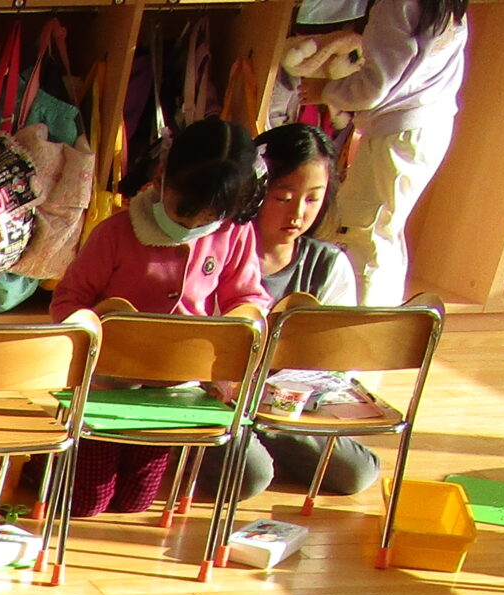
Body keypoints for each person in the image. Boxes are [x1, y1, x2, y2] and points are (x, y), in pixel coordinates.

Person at [54, 117, 269, 515]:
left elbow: (248, 298)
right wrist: (89, 337)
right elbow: (68, 300)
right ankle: (46, 461)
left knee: (136, 502)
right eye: (182, 215)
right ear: (160, 176)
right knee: (87, 503)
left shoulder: (233, 234)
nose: (191, 229)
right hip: (106, 385)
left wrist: (231, 346)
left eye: (206, 221)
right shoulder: (116, 233)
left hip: (175, 388)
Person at [201, 123, 381, 500]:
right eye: (283, 197)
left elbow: (335, 360)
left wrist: (286, 396)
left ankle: (263, 442)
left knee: (356, 472)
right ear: (256, 190)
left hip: (283, 404)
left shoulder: (328, 264)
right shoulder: (215, 250)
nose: (298, 213)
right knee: (250, 476)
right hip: (214, 399)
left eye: (313, 199)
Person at [318, 0, 469, 305]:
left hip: (400, 133)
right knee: (383, 230)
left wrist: (325, 92)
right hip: (428, 125)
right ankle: (383, 318)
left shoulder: (397, 5)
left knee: (365, 232)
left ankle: (362, 323)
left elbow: (375, 87)